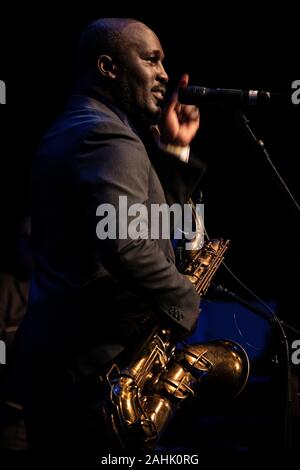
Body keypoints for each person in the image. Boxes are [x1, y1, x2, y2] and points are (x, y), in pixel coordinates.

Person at [8, 18, 205, 451]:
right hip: (94, 372)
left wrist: (173, 154)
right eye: (151, 59)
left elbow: (139, 228)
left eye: (164, 62)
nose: (165, 75)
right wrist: (186, 300)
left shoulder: (75, 125)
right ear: (108, 67)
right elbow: (128, 244)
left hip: (63, 368)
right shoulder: (105, 134)